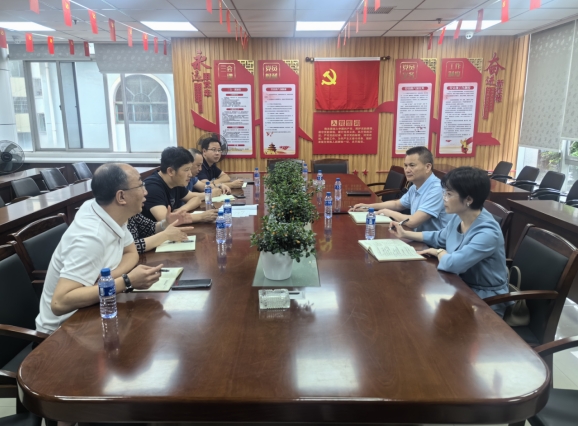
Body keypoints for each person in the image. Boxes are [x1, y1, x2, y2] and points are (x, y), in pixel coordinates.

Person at [36, 163, 163, 335]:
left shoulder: (110, 212)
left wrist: (107, 280)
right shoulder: (90, 238)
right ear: (121, 197)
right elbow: (60, 303)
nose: (145, 192)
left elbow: (131, 253)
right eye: (141, 186)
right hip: (64, 330)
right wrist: (126, 281)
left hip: (98, 308)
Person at [390, 167, 511, 317]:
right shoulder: (459, 216)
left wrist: (439, 252)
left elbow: (452, 264)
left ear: (468, 200)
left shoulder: (487, 232)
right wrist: (406, 233)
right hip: (459, 285)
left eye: (449, 194)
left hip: (485, 300)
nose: (444, 198)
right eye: (444, 193)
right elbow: (439, 237)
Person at [351, 146, 451, 232]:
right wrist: (368, 207)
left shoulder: (437, 189)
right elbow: (397, 204)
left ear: (428, 167)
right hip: (418, 237)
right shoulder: (415, 186)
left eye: (412, 165)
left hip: (435, 245)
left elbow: (413, 222)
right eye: (405, 165)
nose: (407, 170)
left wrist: (388, 212)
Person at [142, 147, 218, 223]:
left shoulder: (175, 181)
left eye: (190, 169)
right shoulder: (152, 187)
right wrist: (200, 217)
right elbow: (165, 220)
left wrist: (182, 210)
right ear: (170, 171)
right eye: (186, 170)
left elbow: (196, 199)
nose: (190, 174)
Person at [129, 206, 195, 253]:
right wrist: (165, 235)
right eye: (141, 189)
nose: (145, 192)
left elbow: (150, 227)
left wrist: (166, 223)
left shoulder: (132, 213)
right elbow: (127, 248)